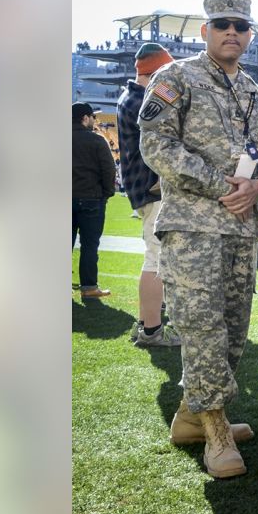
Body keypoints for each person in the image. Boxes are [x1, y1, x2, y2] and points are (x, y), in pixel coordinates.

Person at [139, 0, 258, 478]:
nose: (231, 32)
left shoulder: (256, 92)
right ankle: (215, 431)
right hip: (193, 228)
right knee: (202, 331)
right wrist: (222, 187)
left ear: (250, 34)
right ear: (205, 32)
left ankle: (190, 419)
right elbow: (155, 144)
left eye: (240, 26)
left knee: (234, 331)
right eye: (222, 24)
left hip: (240, 230)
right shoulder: (175, 78)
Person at [116, 43, 180, 346]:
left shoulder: (134, 97)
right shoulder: (142, 100)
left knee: (155, 258)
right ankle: (151, 330)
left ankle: (144, 321)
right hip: (152, 188)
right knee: (156, 260)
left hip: (146, 188)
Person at [73, 102, 116, 298]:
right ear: (85, 118)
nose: (94, 121)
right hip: (91, 199)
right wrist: (106, 194)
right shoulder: (97, 140)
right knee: (90, 246)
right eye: (92, 117)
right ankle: (89, 288)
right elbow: (108, 170)